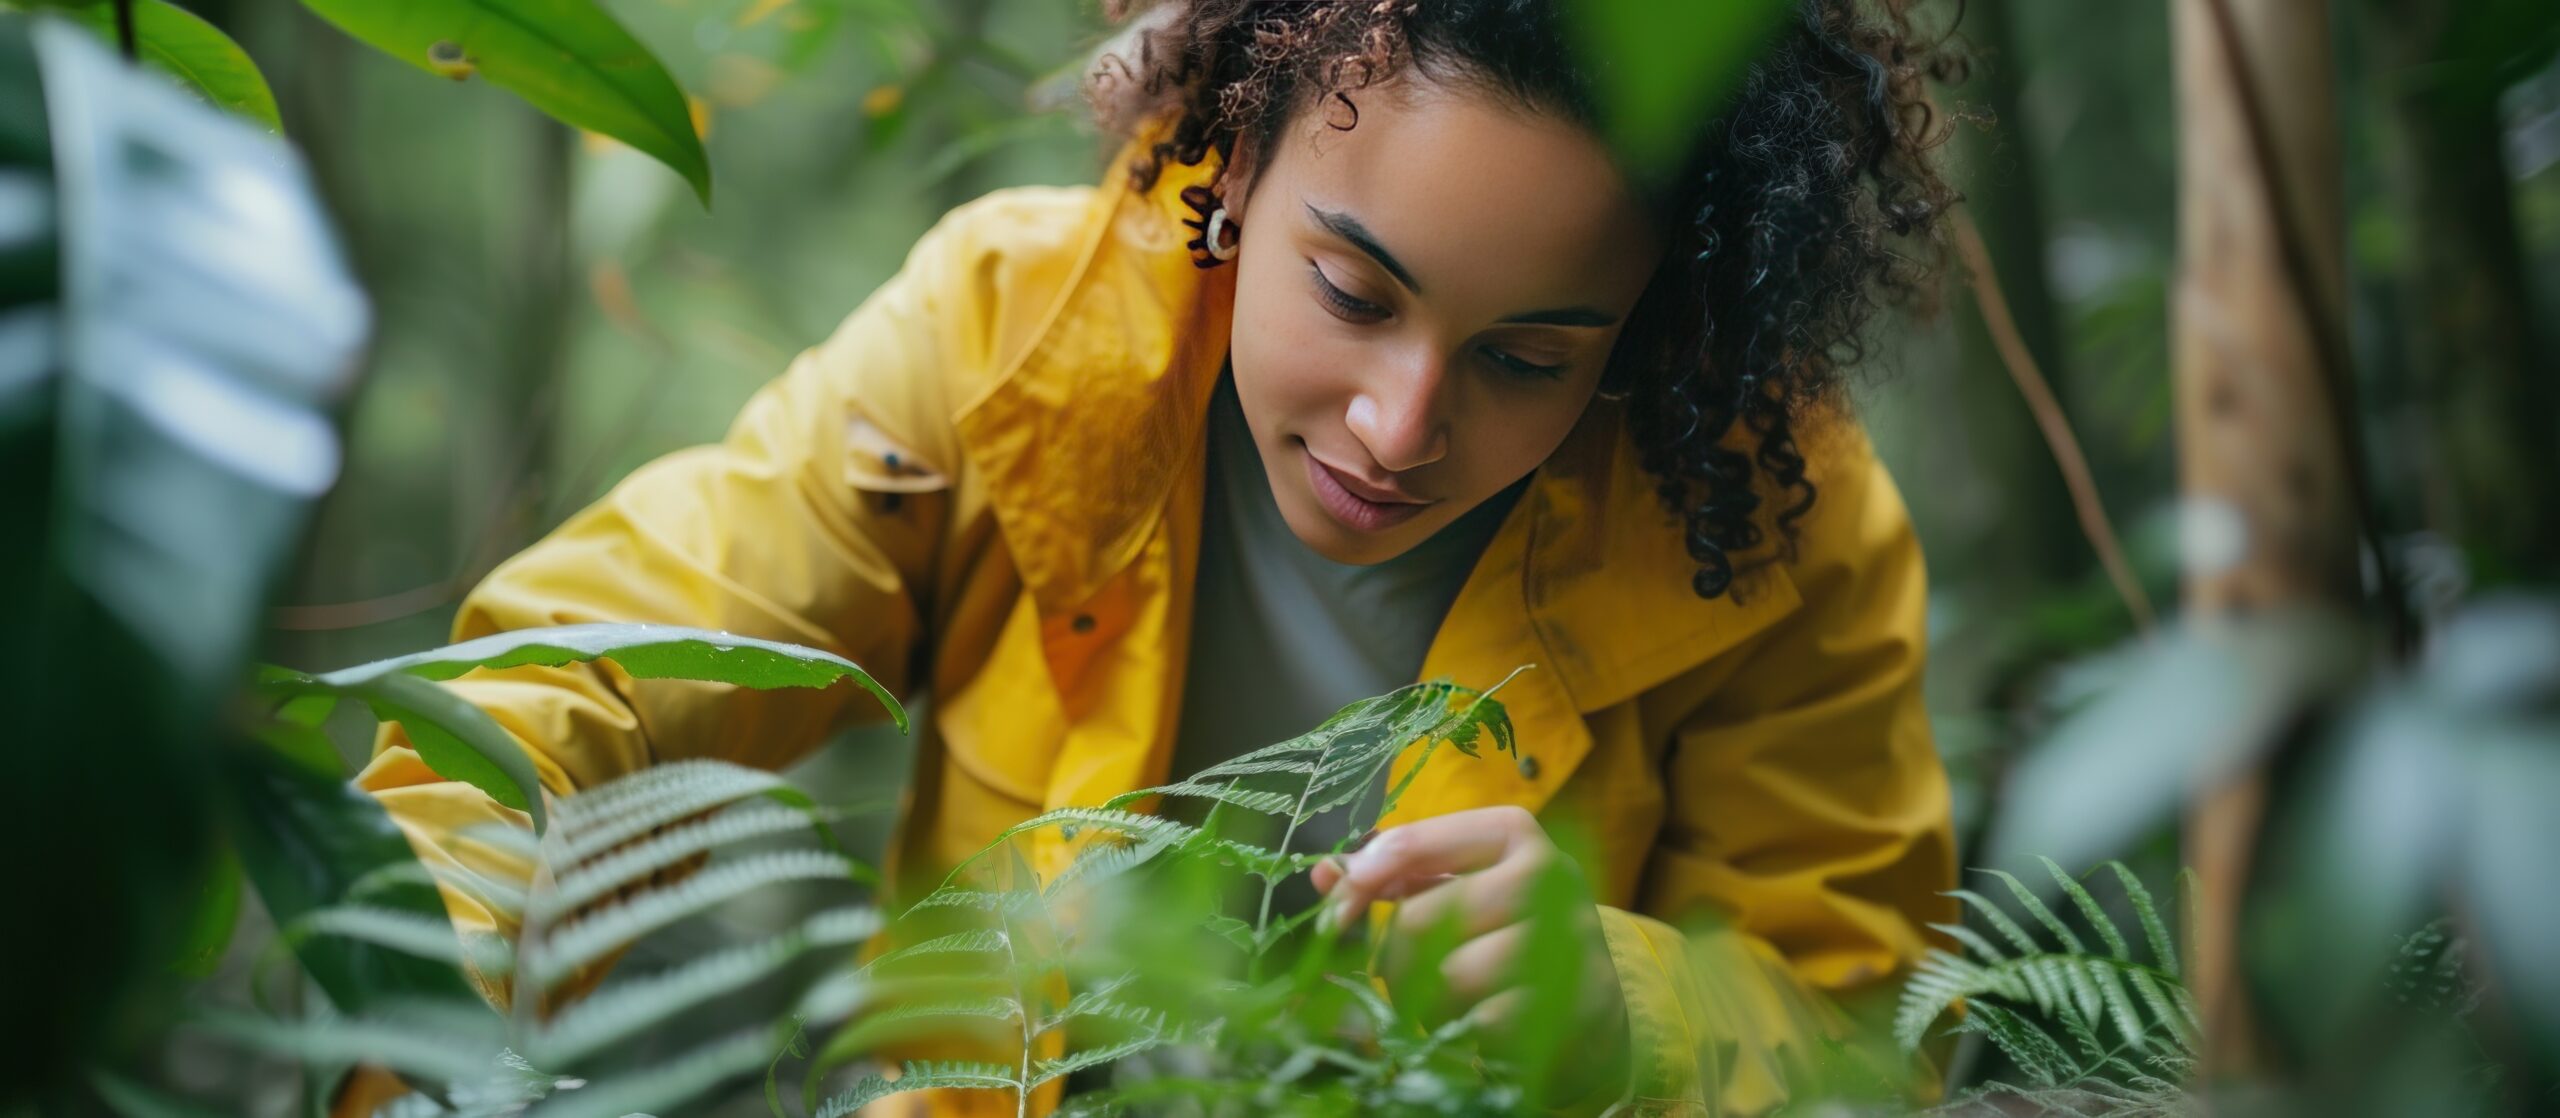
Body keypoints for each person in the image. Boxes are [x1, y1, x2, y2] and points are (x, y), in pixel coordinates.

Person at [356, 1, 1965, 1113]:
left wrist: (1625, 1014)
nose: (1400, 424)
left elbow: (1857, 1032)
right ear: (1246, 154)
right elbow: (566, 680)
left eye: (1528, 360)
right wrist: (416, 1026)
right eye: (1352, 293)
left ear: (1650, 320)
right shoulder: (1013, 343)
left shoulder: (1770, 530)